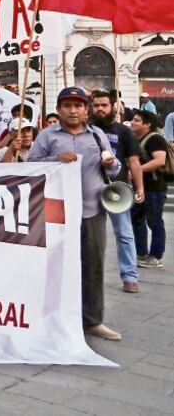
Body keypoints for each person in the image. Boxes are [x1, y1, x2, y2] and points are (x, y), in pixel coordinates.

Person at [28, 87, 121, 341]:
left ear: (86, 110)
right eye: (67, 105)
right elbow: (29, 165)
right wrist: (55, 159)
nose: (73, 110)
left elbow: (114, 171)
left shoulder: (97, 136)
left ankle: (92, 320)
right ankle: (52, 316)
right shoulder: (48, 136)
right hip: (56, 214)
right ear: (59, 110)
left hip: (92, 210)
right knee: (54, 265)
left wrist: (111, 164)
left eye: (78, 106)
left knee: (93, 265)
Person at [90, 90, 145, 294]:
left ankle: (129, 277)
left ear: (113, 106)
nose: (100, 109)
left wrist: (139, 188)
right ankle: (88, 277)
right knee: (90, 236)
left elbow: (133, 161)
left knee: (124, 234)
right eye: (96, 105)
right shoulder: (86, 129)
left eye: (104, 105)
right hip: (91, 190)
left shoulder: (123, 131)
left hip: (117, 189)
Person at [130, 110, 167, 270]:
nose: (132, 122)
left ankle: (156, 256)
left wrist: (136, 171)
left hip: (155, 188)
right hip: (139, 187)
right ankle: (141, 253)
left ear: (147, 124)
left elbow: (160, 160)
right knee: (137, 219)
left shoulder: (155, 139)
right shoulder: (135, 139)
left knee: (154, 221)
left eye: (137, 120)